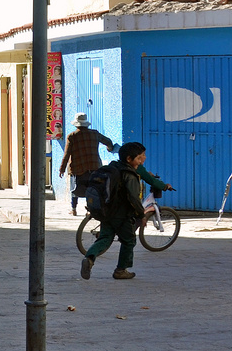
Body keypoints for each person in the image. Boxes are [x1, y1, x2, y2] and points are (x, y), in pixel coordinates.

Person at [80, 142, 172, 280]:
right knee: (129, 240)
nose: (144, 159)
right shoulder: (130, 175)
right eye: (140, 157)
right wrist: (141, 215)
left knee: (105, 238)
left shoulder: (114, 167)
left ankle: (89, 258)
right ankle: (121, 270)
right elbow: (134, 199)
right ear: (130, 159)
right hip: (122, 214)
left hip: (107, 211)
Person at [59, 113, 116, 217]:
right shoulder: (95, 134)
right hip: (94, 167)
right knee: (92, 189)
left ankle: (74, 209)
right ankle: (90, 209)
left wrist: (62, 169)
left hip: (77, 168)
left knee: (75, 189)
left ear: (76, 125)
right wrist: (110, 148)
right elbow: (108, 141)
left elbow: (67, 154)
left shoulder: (72, 136)